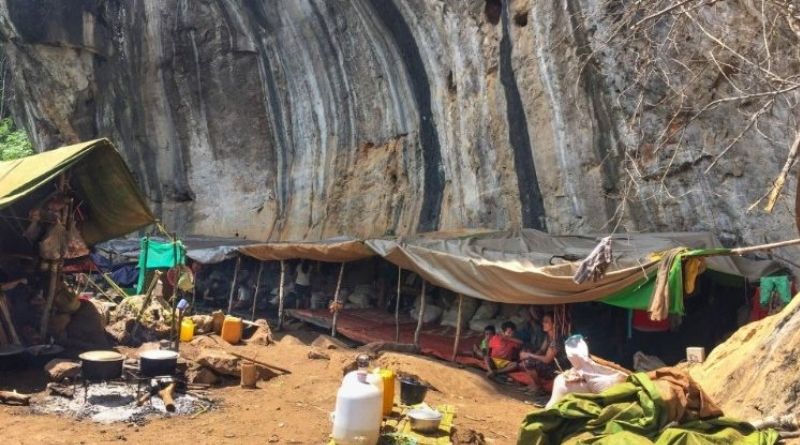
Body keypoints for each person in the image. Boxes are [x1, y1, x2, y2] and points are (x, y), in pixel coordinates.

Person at [519, 313, 568, 393]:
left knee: (528, 363)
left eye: (546, 322)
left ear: (554, 325)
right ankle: (534, 384)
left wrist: (529, 355)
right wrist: (528, 356)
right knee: (527, 360)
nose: (543, 323)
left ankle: (539, 387)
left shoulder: (556, 340)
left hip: (558, 369)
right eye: (543, 321)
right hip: (551, 364)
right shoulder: (548, 336)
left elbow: (547, 360)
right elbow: (541, 350)